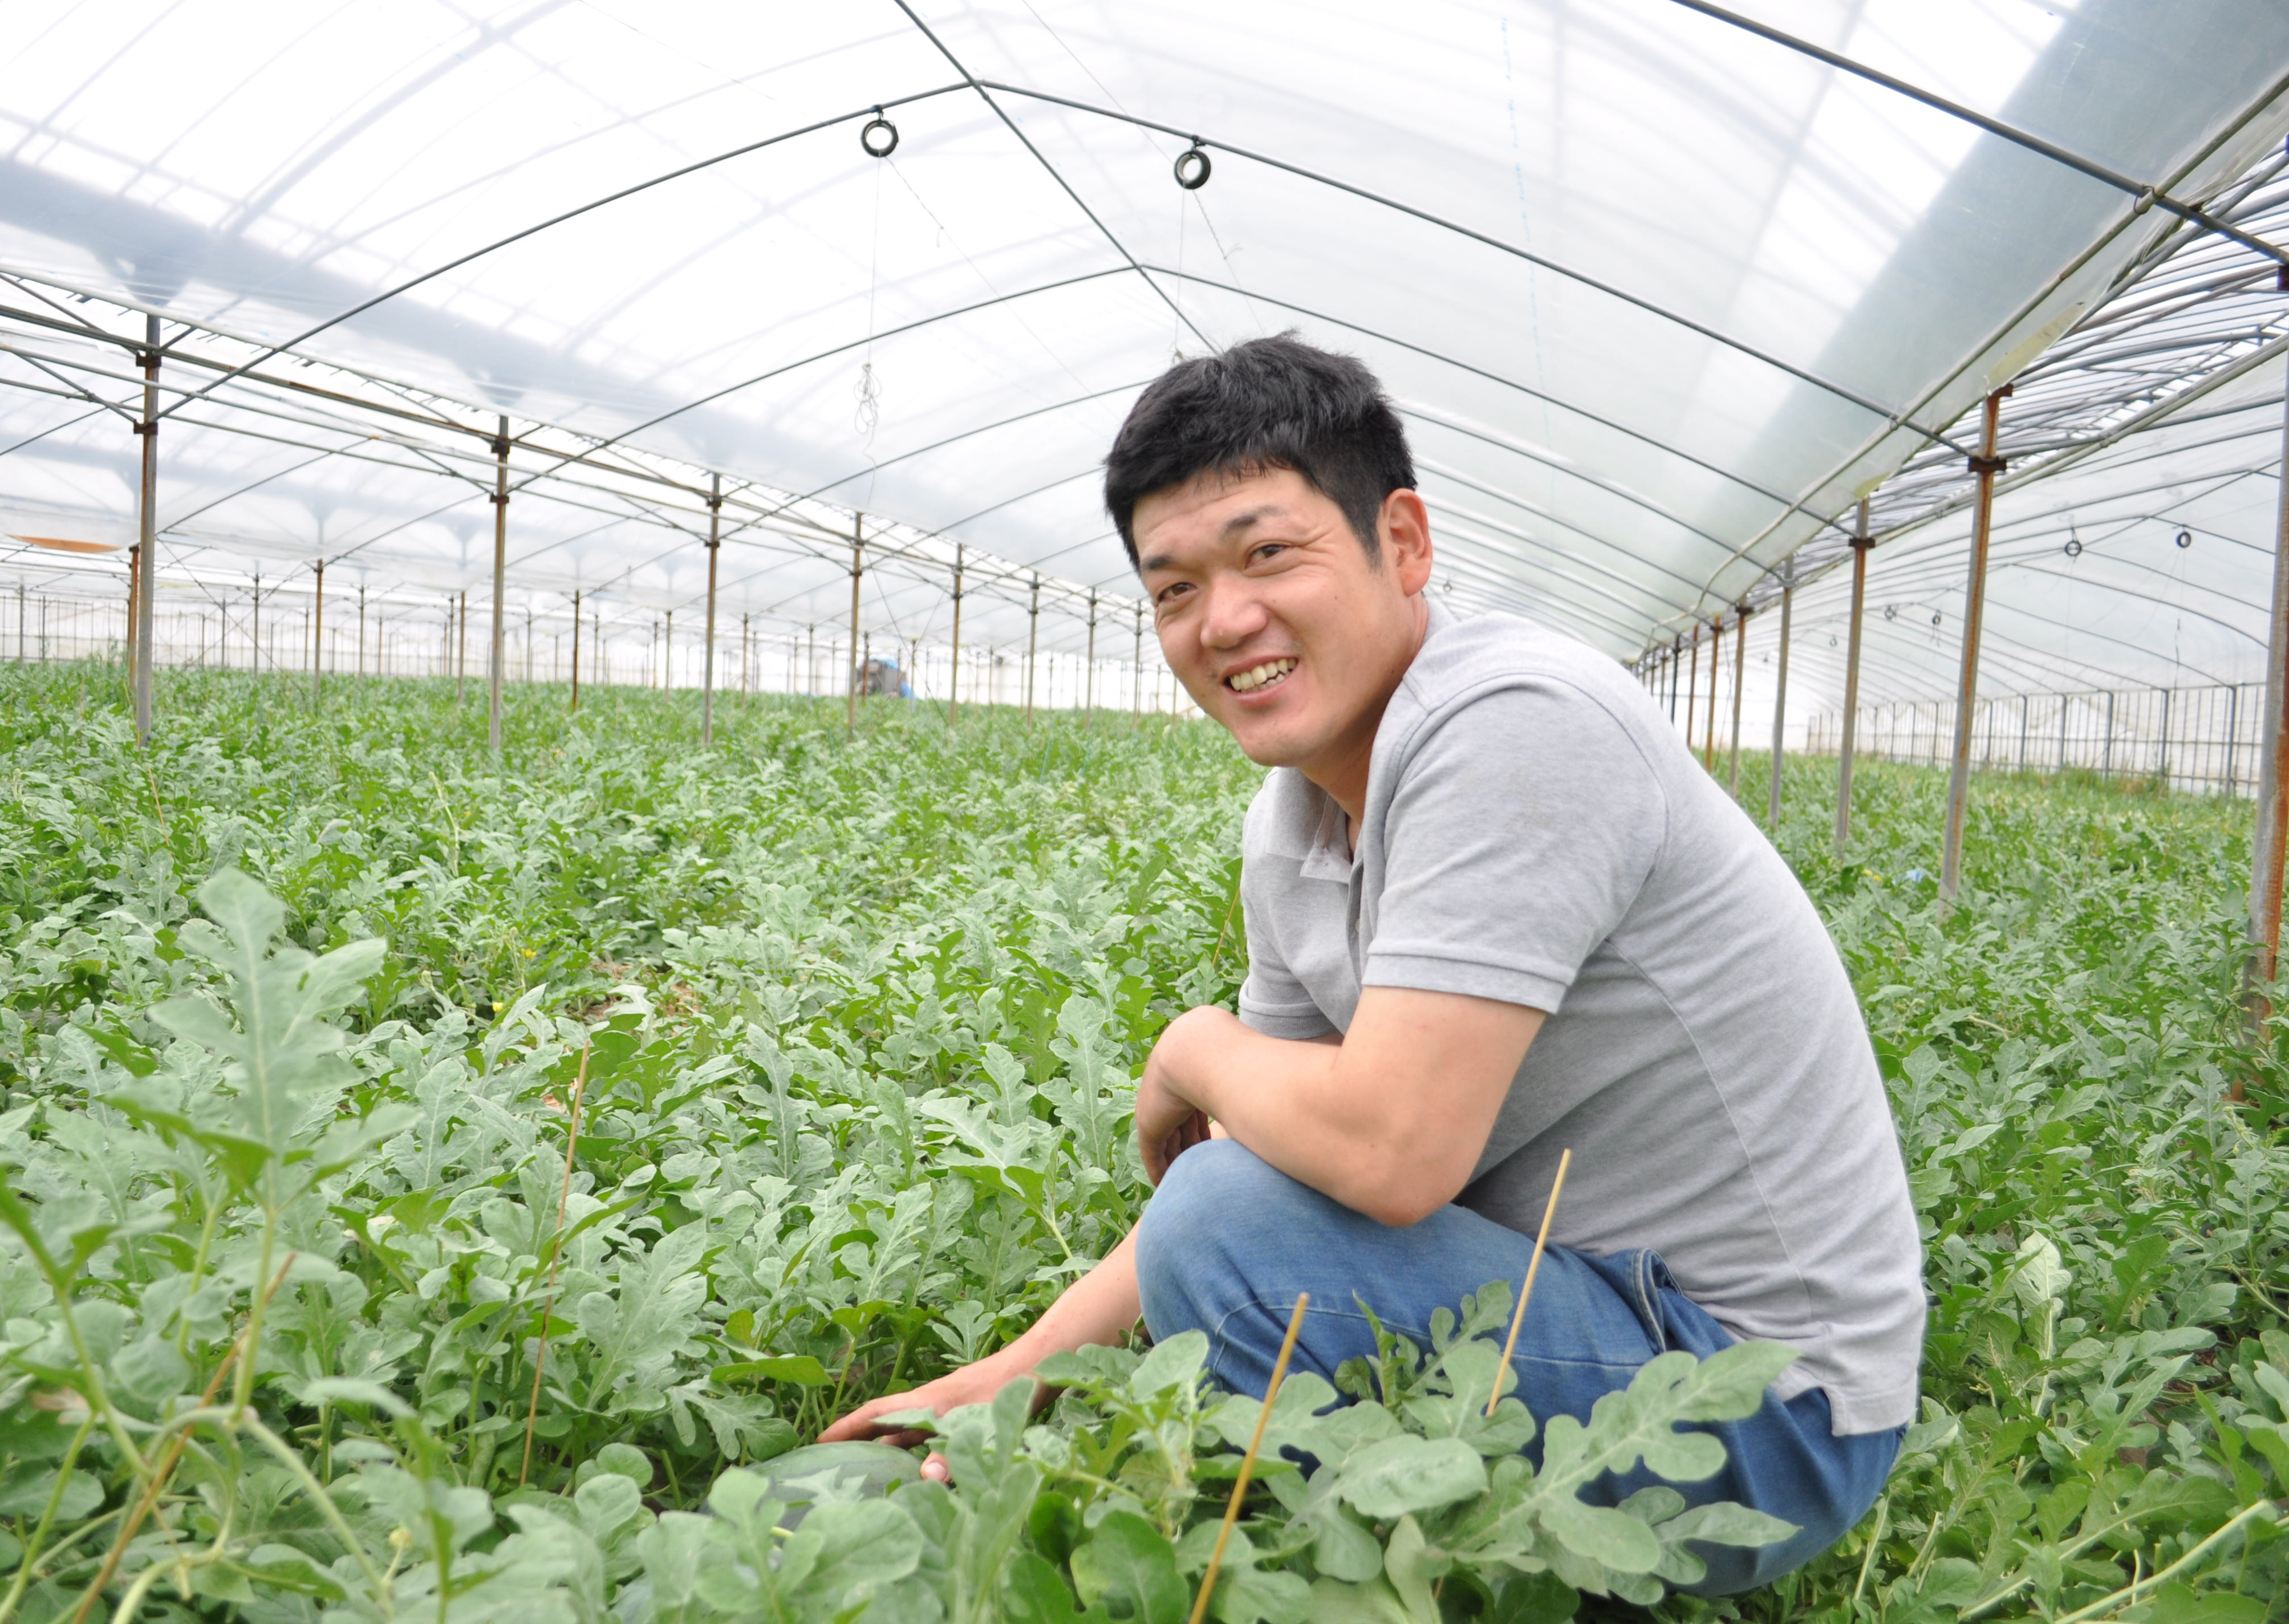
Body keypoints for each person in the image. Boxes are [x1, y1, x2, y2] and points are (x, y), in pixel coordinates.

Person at [822, 334, 1922, 1593]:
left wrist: (1193, 1046)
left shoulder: (1520, 724)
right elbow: (1266, 1166)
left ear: (1402, 542)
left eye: (1266, 554)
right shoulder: (1293, 818)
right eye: (1174, 589)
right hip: (1596, 1319)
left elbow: (1385, 1155)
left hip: (1764, 1411)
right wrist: (1017, 1372)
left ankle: (1380, 1583)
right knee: (1229, 1205)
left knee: (1225, 1221)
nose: (1223, 620)